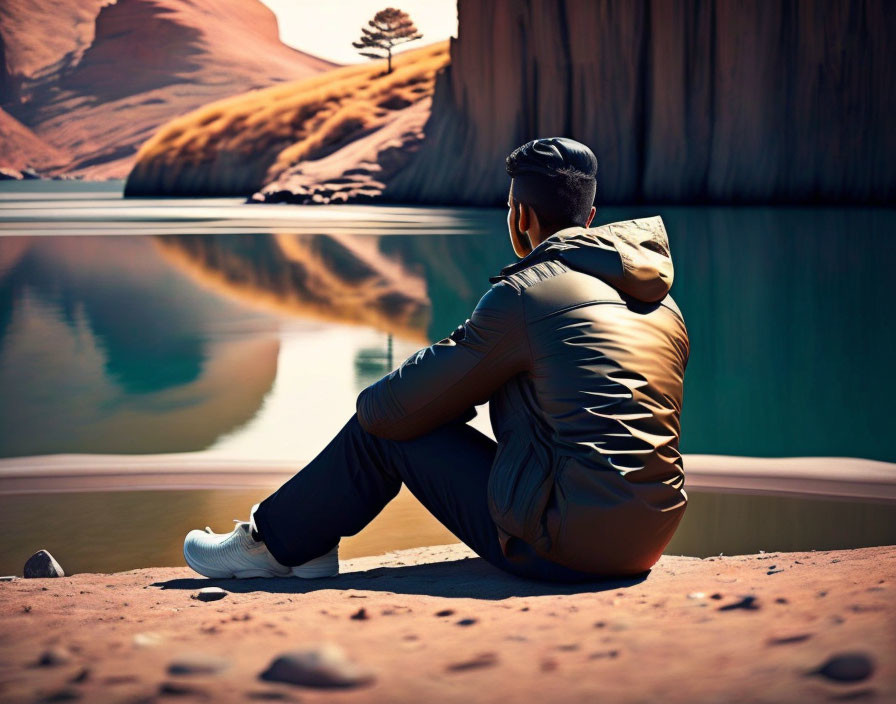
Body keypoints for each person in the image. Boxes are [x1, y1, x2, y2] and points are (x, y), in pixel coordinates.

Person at [183, 137, 690, 583]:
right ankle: (303, 541)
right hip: (649, 536)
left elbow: (386, 411)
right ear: (591, 219)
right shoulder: (661, 302)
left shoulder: (525, 296)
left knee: (378, 428)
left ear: (519, 216)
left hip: (568, 546)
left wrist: (442, 397)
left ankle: (274, 544)